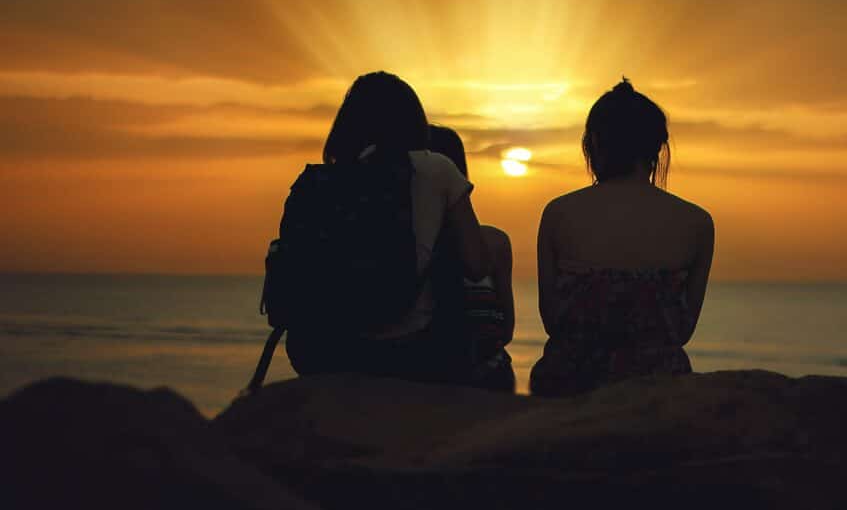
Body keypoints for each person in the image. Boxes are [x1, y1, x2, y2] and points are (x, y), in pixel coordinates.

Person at [283, 71, 492, 381]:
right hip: (411, 346)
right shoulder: (436, 167)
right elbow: (476, 264)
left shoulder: (321, 180)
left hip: (327, 346)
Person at [530, 78, 714, 396]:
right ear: (657, 148)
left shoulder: (559, 213)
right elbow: (682, 331)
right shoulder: (697, 222)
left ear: (594, 145)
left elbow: (553, 321)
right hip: (657, 388)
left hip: (571, 382)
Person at [427, 125, 516, 392]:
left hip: (429, 373)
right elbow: (506, 329)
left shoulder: (411, 245)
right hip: (487, 373)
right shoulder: (495, 242)